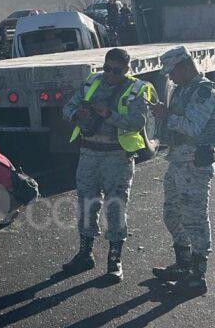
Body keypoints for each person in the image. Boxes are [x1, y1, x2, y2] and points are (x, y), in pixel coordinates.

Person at [61, 48, 156, 282]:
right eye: (107, 68)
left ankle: (114, 260)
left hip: (117, 157)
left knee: (115, 208)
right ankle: (85, 254)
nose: (110, 74)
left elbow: (137, 122)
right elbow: (67, 108)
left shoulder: (135, 89)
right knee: (86, 204)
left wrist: (108, 114)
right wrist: (77, 115)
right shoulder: (91, 83)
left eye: (116, 71)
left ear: (126, 69)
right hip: (89, 153)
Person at [150, 46, 215, 296]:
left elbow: (192, 127)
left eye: (172, 71)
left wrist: (166, 115)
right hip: (177, 161)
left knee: (195, 218)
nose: (170, 77)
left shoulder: (204, 93)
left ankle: (198, 274)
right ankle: (183, 263)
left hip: (194, 164)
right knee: (172, 213)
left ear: (185, 67)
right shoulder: (182, 90)